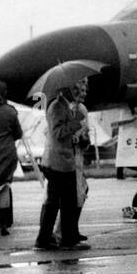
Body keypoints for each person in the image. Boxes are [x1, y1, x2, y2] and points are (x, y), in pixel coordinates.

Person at [35, 82, 89, 250]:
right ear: (65, 89)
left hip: (63, 161)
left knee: (64, 201)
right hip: (58, 162)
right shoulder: (57, 106)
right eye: (74, 88)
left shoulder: (63, 106)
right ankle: (59, 240)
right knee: (62, 202)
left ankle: (54, 239)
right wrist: (75, 122)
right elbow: (57, 133)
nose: (77, 92)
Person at [0, 80, 23, 236]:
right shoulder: (10, 111)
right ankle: (3, 225)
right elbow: (18, 134)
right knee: (4, 186)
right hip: (7, 153)